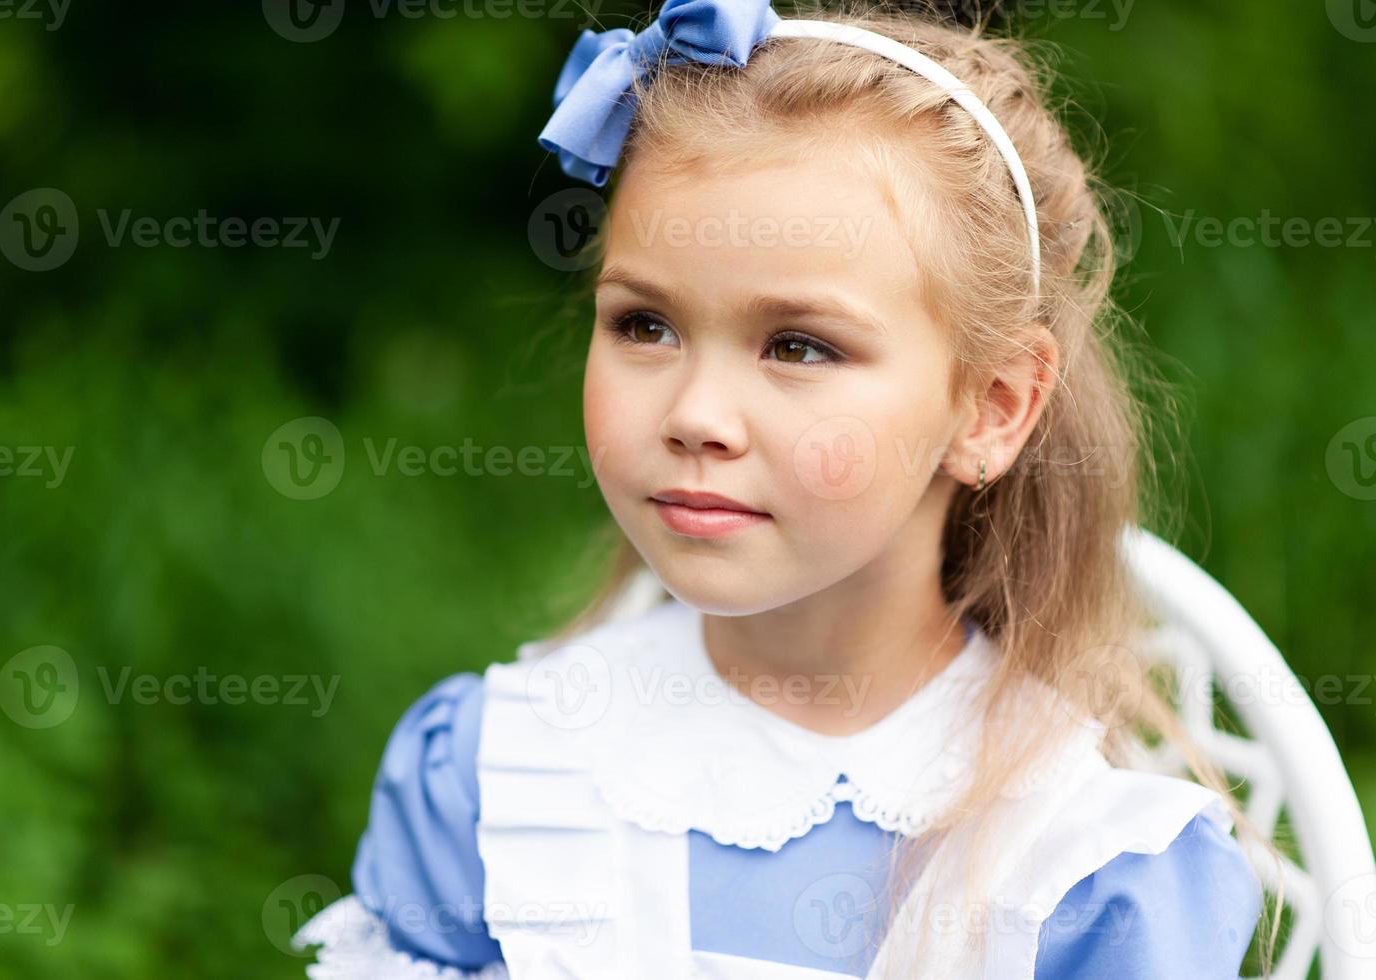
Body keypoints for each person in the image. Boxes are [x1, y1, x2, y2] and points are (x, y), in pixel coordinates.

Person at [295, 1, 1279, 975]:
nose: (696, 413)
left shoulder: (1086, 873)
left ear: (990, 407)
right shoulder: (493, 777)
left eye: (798, 345)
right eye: (645, 324)